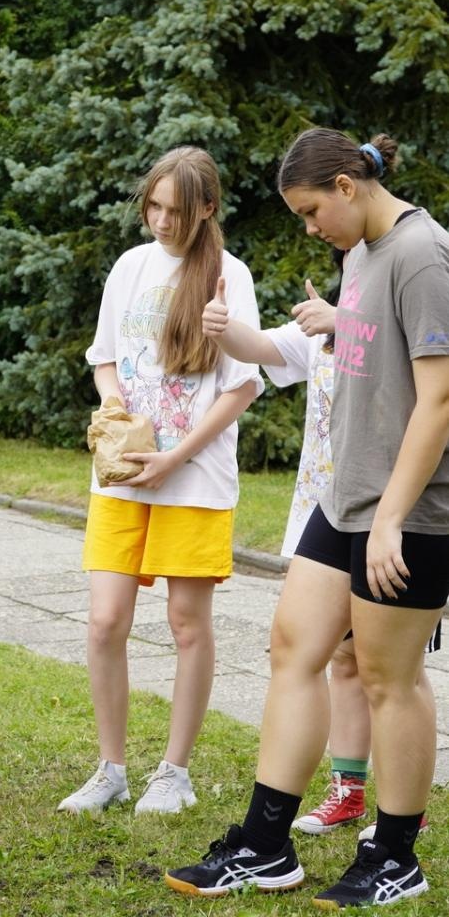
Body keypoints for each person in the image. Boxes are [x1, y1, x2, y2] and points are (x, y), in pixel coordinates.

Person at [165, 128, 449, 907]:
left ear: (348, 188)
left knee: (392, 678)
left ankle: (395, 856)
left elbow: (440, 400)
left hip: (412, 511)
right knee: (294, 646)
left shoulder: (423, 255)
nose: (310, 227)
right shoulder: (361, 255)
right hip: (346, 495)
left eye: (311, 210)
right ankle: (264, 846)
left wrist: (391, 516)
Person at [57, 146, 263, 815]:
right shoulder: (130, 267)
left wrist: (175, 457)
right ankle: (110, 769)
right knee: (105, 620)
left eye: (176, 210)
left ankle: (174, 773)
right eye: (153, 206)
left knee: (186, 624)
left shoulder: (230, 276)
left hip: (193, 478)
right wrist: (115, 406)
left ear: (207, 209)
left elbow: (242, 387)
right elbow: (105, 359)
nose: (162, 221)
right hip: (121, 473)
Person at [202, 252, 436, 840]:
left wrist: (345, 319)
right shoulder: (323, 340)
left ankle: (401, 816)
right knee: (333, 657)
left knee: (391, 666)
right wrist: (218, 322)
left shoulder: (405, 302)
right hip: (327, 512)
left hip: (396, 515)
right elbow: (257, 347)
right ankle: (344, 791)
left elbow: (433, 394)